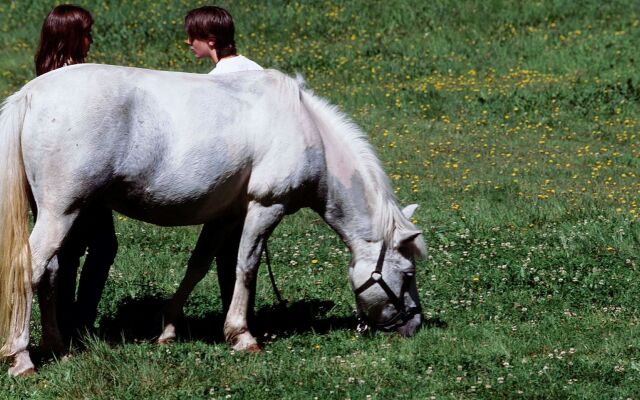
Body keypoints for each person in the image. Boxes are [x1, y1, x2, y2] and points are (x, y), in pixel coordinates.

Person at [34, 4, 117, 343]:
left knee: (69, 252)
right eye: (85, 34)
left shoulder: (45, 76)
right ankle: (77, 321)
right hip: (81, 178)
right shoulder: (74, 80)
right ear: (70, 37)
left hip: (71, 176)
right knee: (89, 248)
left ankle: (68, 321)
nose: (90, 40)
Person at [184, 6, 263, 75]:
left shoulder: (215, 78)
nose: (188, 41)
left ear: (211, 41)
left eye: (192, 37)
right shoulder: (255, 68)